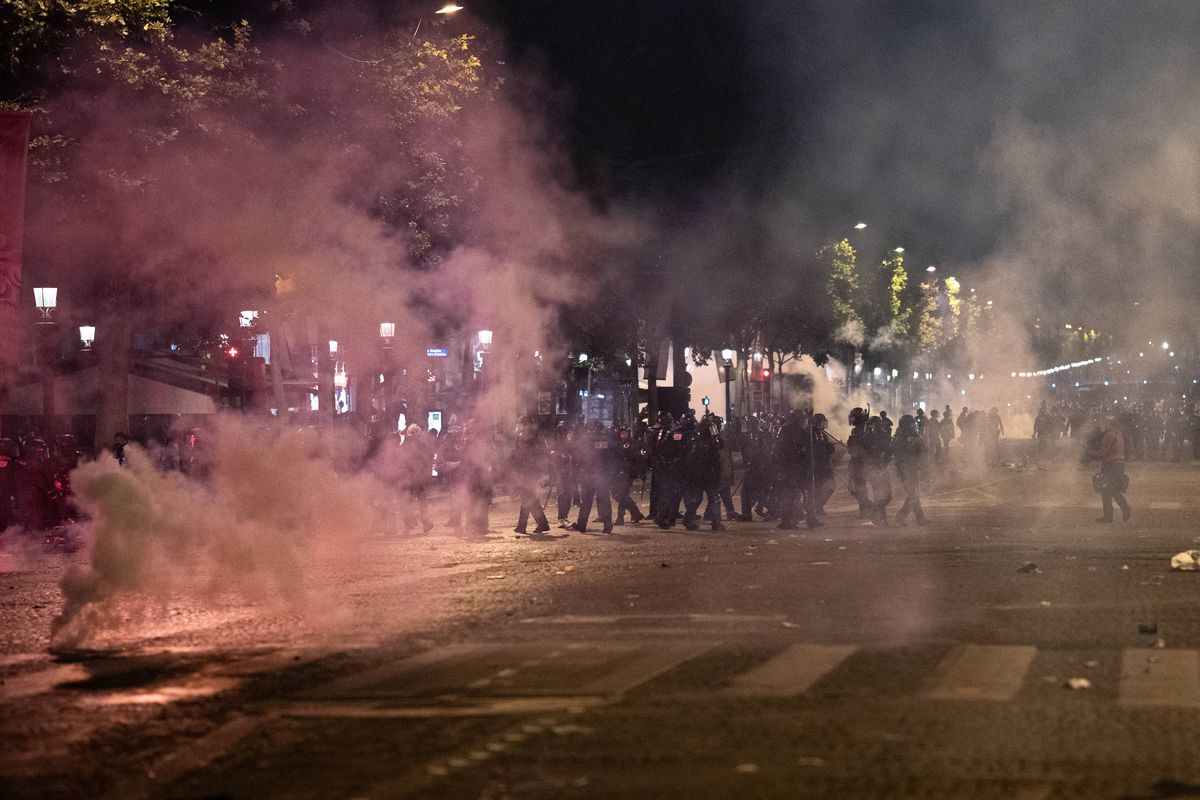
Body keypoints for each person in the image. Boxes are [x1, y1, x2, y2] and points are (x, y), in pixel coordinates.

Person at [510, 418, 551, 535]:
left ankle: (535, 524)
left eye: (520, 424)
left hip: (528, 471)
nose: (518, 426)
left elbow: (524, 455)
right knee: (528, 498)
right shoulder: (529, 435)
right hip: (527, 471)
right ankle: (526, 525)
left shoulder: (528, 436)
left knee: (528, 498)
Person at [573, 422, 614, 533]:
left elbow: (579, 457)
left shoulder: (586, 440)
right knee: (604, 500)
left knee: (586, 501)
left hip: (589, 475)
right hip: (602, 474)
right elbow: (611, 457)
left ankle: (582, 525)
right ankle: (608, 525)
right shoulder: (606, 440)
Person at [1096, 416, 1132, 523]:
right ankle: (1123, 509)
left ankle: (1110, 515)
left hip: (1110, 465)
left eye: (1104, 423)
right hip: (1119, 464)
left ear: (1109, 424)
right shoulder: (1119, 435)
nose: (1102, 426)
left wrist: (1090, 454)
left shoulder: (1108, 435)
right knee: (1113, 489)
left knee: (1105, 489)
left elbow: (1104, 452)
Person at [893, 415, 926, 525]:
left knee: (914, 494)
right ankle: (901, 517)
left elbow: (921, 450)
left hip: (913, 468)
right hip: (905, 470)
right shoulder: (899, 438)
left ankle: (920, 518)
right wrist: (912, 441)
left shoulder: (912, 436)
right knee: (913, 494)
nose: (913, 426)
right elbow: (903, 454)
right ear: (906, 425)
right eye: (911, 424)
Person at [612, 425, 645, 525]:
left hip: (628, 472)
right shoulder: (617, 443)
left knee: (622, 494)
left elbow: (637, 459)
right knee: (619, 495)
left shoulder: (633, 444)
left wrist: (641, 472)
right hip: (618, 472)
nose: (623, 435)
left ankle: (621, 517)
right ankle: (635, 514)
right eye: (621, 433)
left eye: (625, 433)